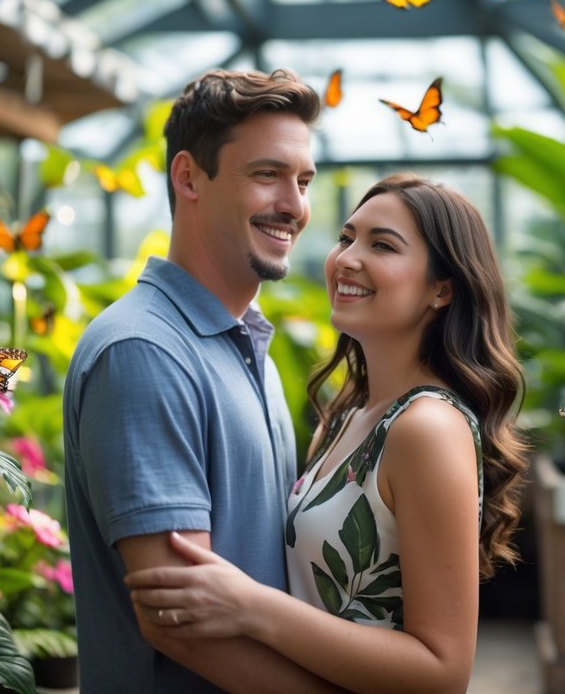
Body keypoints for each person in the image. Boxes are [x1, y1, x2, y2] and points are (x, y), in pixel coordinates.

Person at [125, 173, 529, 694]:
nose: (346, 259)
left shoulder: (426, 427)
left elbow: (442, 672)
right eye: (346, 237)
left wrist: (250, 605)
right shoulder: (347, 418)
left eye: (382, 245)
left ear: (441, 288)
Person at [63, 68, 340, 692]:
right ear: (188, 177)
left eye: (303, 181)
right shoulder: (146, 351)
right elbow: (178, 620)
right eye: (266, 175)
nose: (294, 206)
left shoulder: (247, 345)